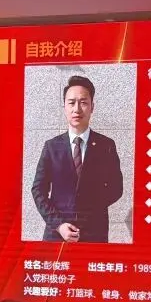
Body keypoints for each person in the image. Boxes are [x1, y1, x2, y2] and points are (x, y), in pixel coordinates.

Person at [31, 75, 124, 243]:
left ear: (92, 107)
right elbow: (38, 190)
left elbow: (116, 188)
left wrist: (89, 212)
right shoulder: (51, 147)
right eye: (71, 103)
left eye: (83, 102)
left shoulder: (106, 146)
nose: (77, 109)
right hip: (57, 234)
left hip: (94, 233)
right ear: (65, 107)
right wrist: (58, 224)